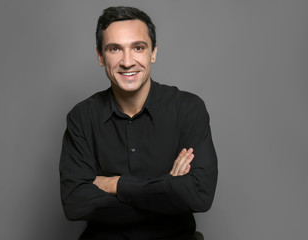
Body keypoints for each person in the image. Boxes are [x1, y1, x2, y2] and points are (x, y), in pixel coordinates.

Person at [59, 6, 218, 240]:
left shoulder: (188, 109)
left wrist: (118, 185)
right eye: (115, 49)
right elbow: (75, 204)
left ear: (153, 52)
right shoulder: (82, 117)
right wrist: (167, 190)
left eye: (138, 48)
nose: (127, 61)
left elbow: (199, 195)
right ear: (100, 56)